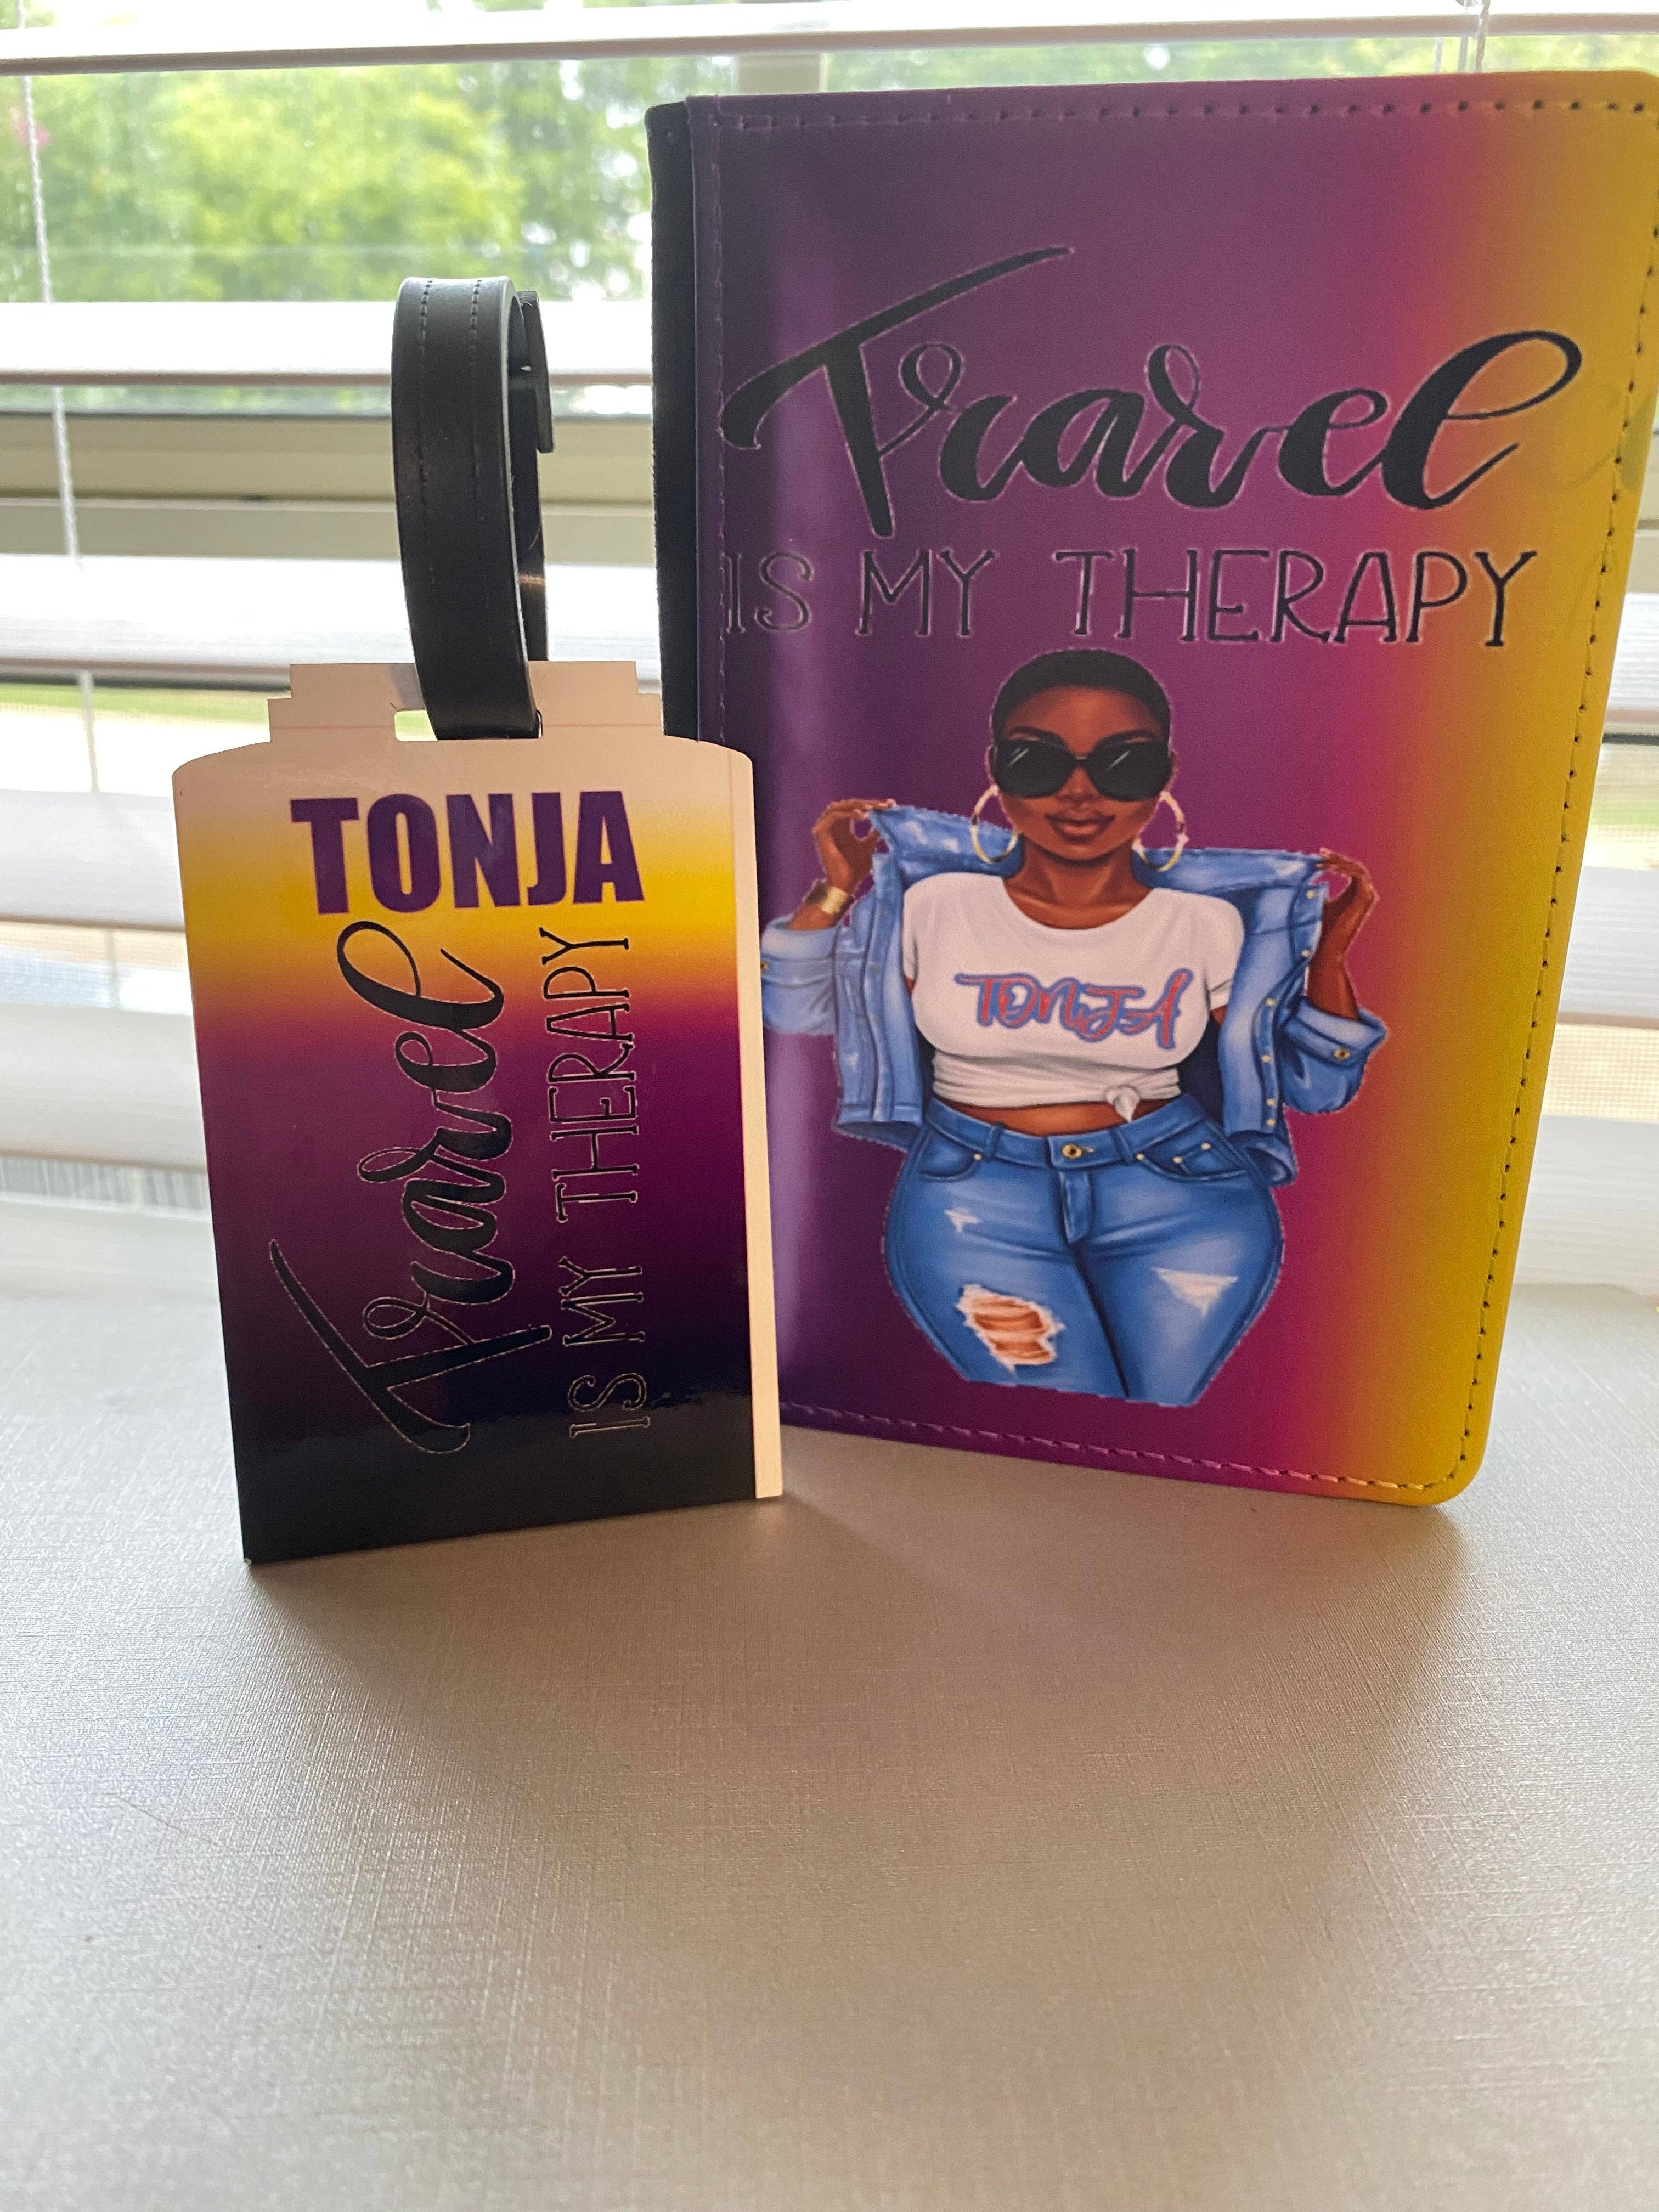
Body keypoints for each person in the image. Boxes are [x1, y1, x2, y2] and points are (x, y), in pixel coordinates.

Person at [760, 648, 1384, 1406]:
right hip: (973, 1205)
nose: (1080, 793)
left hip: (1186, 1201)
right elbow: (792, 1010)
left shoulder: (1205, 924)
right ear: (997, 770)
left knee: (1151, 1432)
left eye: (1124, 764)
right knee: (1053, 1423)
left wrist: (1330, 953)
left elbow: (1316, 1088)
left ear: (1164, 776)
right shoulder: (934, 907)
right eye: (1038, 762)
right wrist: (835, 890)